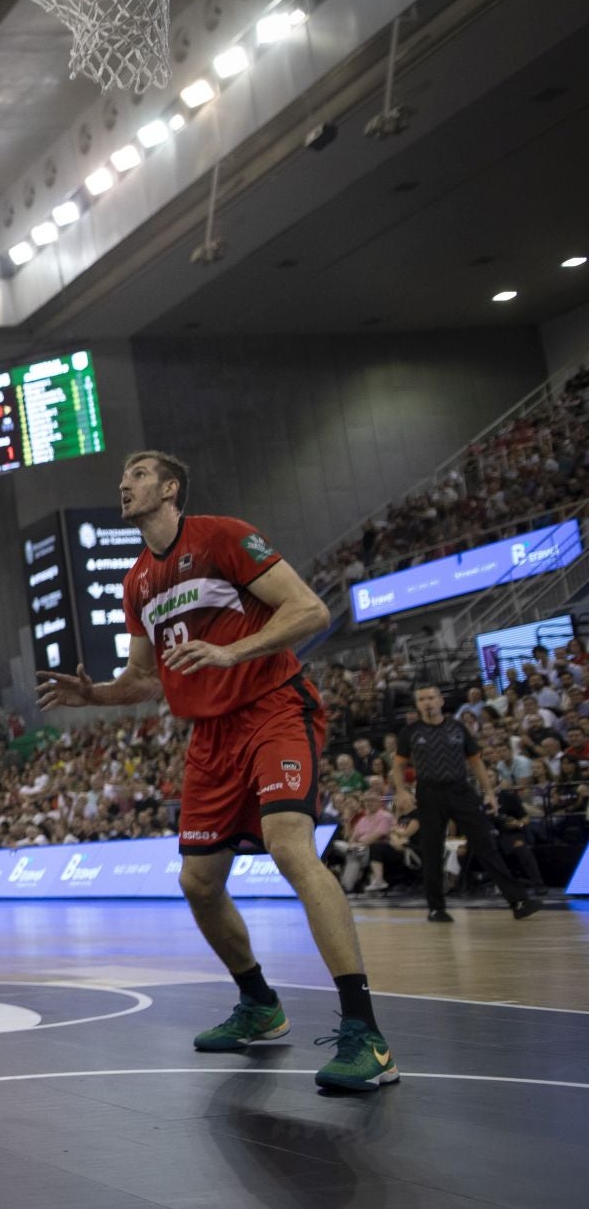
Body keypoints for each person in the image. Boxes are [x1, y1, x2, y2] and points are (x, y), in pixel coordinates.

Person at [39, 451, 398, 1091]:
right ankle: (259, 1005)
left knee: (291, 850)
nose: (124, 483)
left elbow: (310, 611)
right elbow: (145, 680)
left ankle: (365, 1033)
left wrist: (233, 651)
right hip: (209, 737)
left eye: (139, 474)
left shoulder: (225, 536)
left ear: (171, 487)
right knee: (198, 883)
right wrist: (93, 695)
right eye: (123, 477)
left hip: (272, 708)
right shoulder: (136, 583)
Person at [394, 684, 541, 921]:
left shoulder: (458, 727)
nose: (427, 702)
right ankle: (436, 908)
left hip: (460, 790)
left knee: (486, 844)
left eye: (431, 697)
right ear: (418, 704)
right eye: (421, 699)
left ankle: (518, 901)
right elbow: (398, 765)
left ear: (441, 700)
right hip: (428, 793)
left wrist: (489, 792)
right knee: (431, 850)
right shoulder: (410, 732)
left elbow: (476, 762)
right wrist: (401, 791)